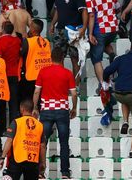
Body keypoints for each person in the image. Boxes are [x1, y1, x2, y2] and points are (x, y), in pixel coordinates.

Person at [32, 47, 77, 178]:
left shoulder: (43, 71)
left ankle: (40, 172)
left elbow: (36, 92)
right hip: (62, 110)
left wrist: (35, 107)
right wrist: (74, 107)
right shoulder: (67, 73)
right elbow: (74, 94)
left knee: (42, 142)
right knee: (63, 143)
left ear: (51, 58)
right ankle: (65, 173)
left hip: (46, 110)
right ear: (62, 58)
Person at [0, 99, 46, 180]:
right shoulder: (40, 125)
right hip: (33, 161)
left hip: (17, 159)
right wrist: (43, 163)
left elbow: (9, 140)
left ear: (22, 109)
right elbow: (43, 146)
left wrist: (2, 157)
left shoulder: (16, 122)